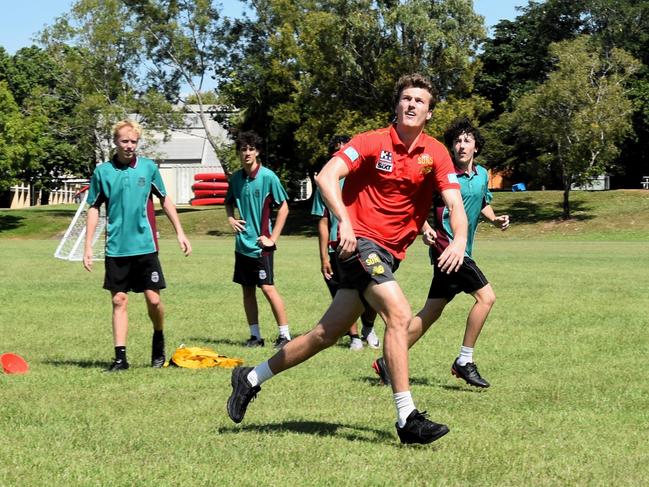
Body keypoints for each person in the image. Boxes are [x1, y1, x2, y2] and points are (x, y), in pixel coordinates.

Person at [227, 74, 468, 445]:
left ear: (429, 113)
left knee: (325, 334)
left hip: (390, 254)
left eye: (419, 101)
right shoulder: (370, 142)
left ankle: (251, 378)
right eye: (405, 98)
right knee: (400, 316)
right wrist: (345, 221)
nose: (411, 105)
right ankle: (407, 418)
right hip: (359, 247)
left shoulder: (435, 153)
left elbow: (454, 202)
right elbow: (327, 176)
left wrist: (459, 240)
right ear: (396, 105)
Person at [372, 117, 509, 389]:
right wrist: (424, 228)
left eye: (466, 140)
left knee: (431, 311)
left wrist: (494, 220)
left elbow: (482, 203)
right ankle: (464, 361)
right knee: (486, 298)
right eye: (457, 141)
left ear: (476, 148)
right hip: (447, 250)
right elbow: (416, 204)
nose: (461, 145)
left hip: (462, 249)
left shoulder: (482, 175)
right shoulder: (442, 175)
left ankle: (386, 362)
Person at [83, 119, 192, 372]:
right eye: (124, 141)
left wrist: (180, 232)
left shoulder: (148, 168)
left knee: (154, 301)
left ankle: (158, 337)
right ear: (115, 142)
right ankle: (120, 359)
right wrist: (88, 246)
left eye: (133, 141)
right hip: (116, 248)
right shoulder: (103, 172)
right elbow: (93, 208)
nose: (129, 146)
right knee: (119, 300)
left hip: (146, 246)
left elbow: (165, 200)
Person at [311, 134, 380, 351]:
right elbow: (322, 222)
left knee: (375, 288)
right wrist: (323, 257)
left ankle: (368, 327)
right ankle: (354, 337)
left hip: (365, 243)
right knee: (345, 293)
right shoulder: (326, 182)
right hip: (338, 247)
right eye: (338, 152)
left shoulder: (364, 178)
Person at [225, 131, 292, 349]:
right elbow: (228, 202)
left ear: (257, 151)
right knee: (247, 290)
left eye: (251, 149)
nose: (247, 153)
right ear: (239, 152)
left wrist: (273, 238)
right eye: (243, 149)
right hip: (241, 246)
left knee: (267, 288)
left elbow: (284, 207)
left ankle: (285, 335)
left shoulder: (268, 177)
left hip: (261, 247)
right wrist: (230, 218)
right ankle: (255, 337)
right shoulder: (235, 178)